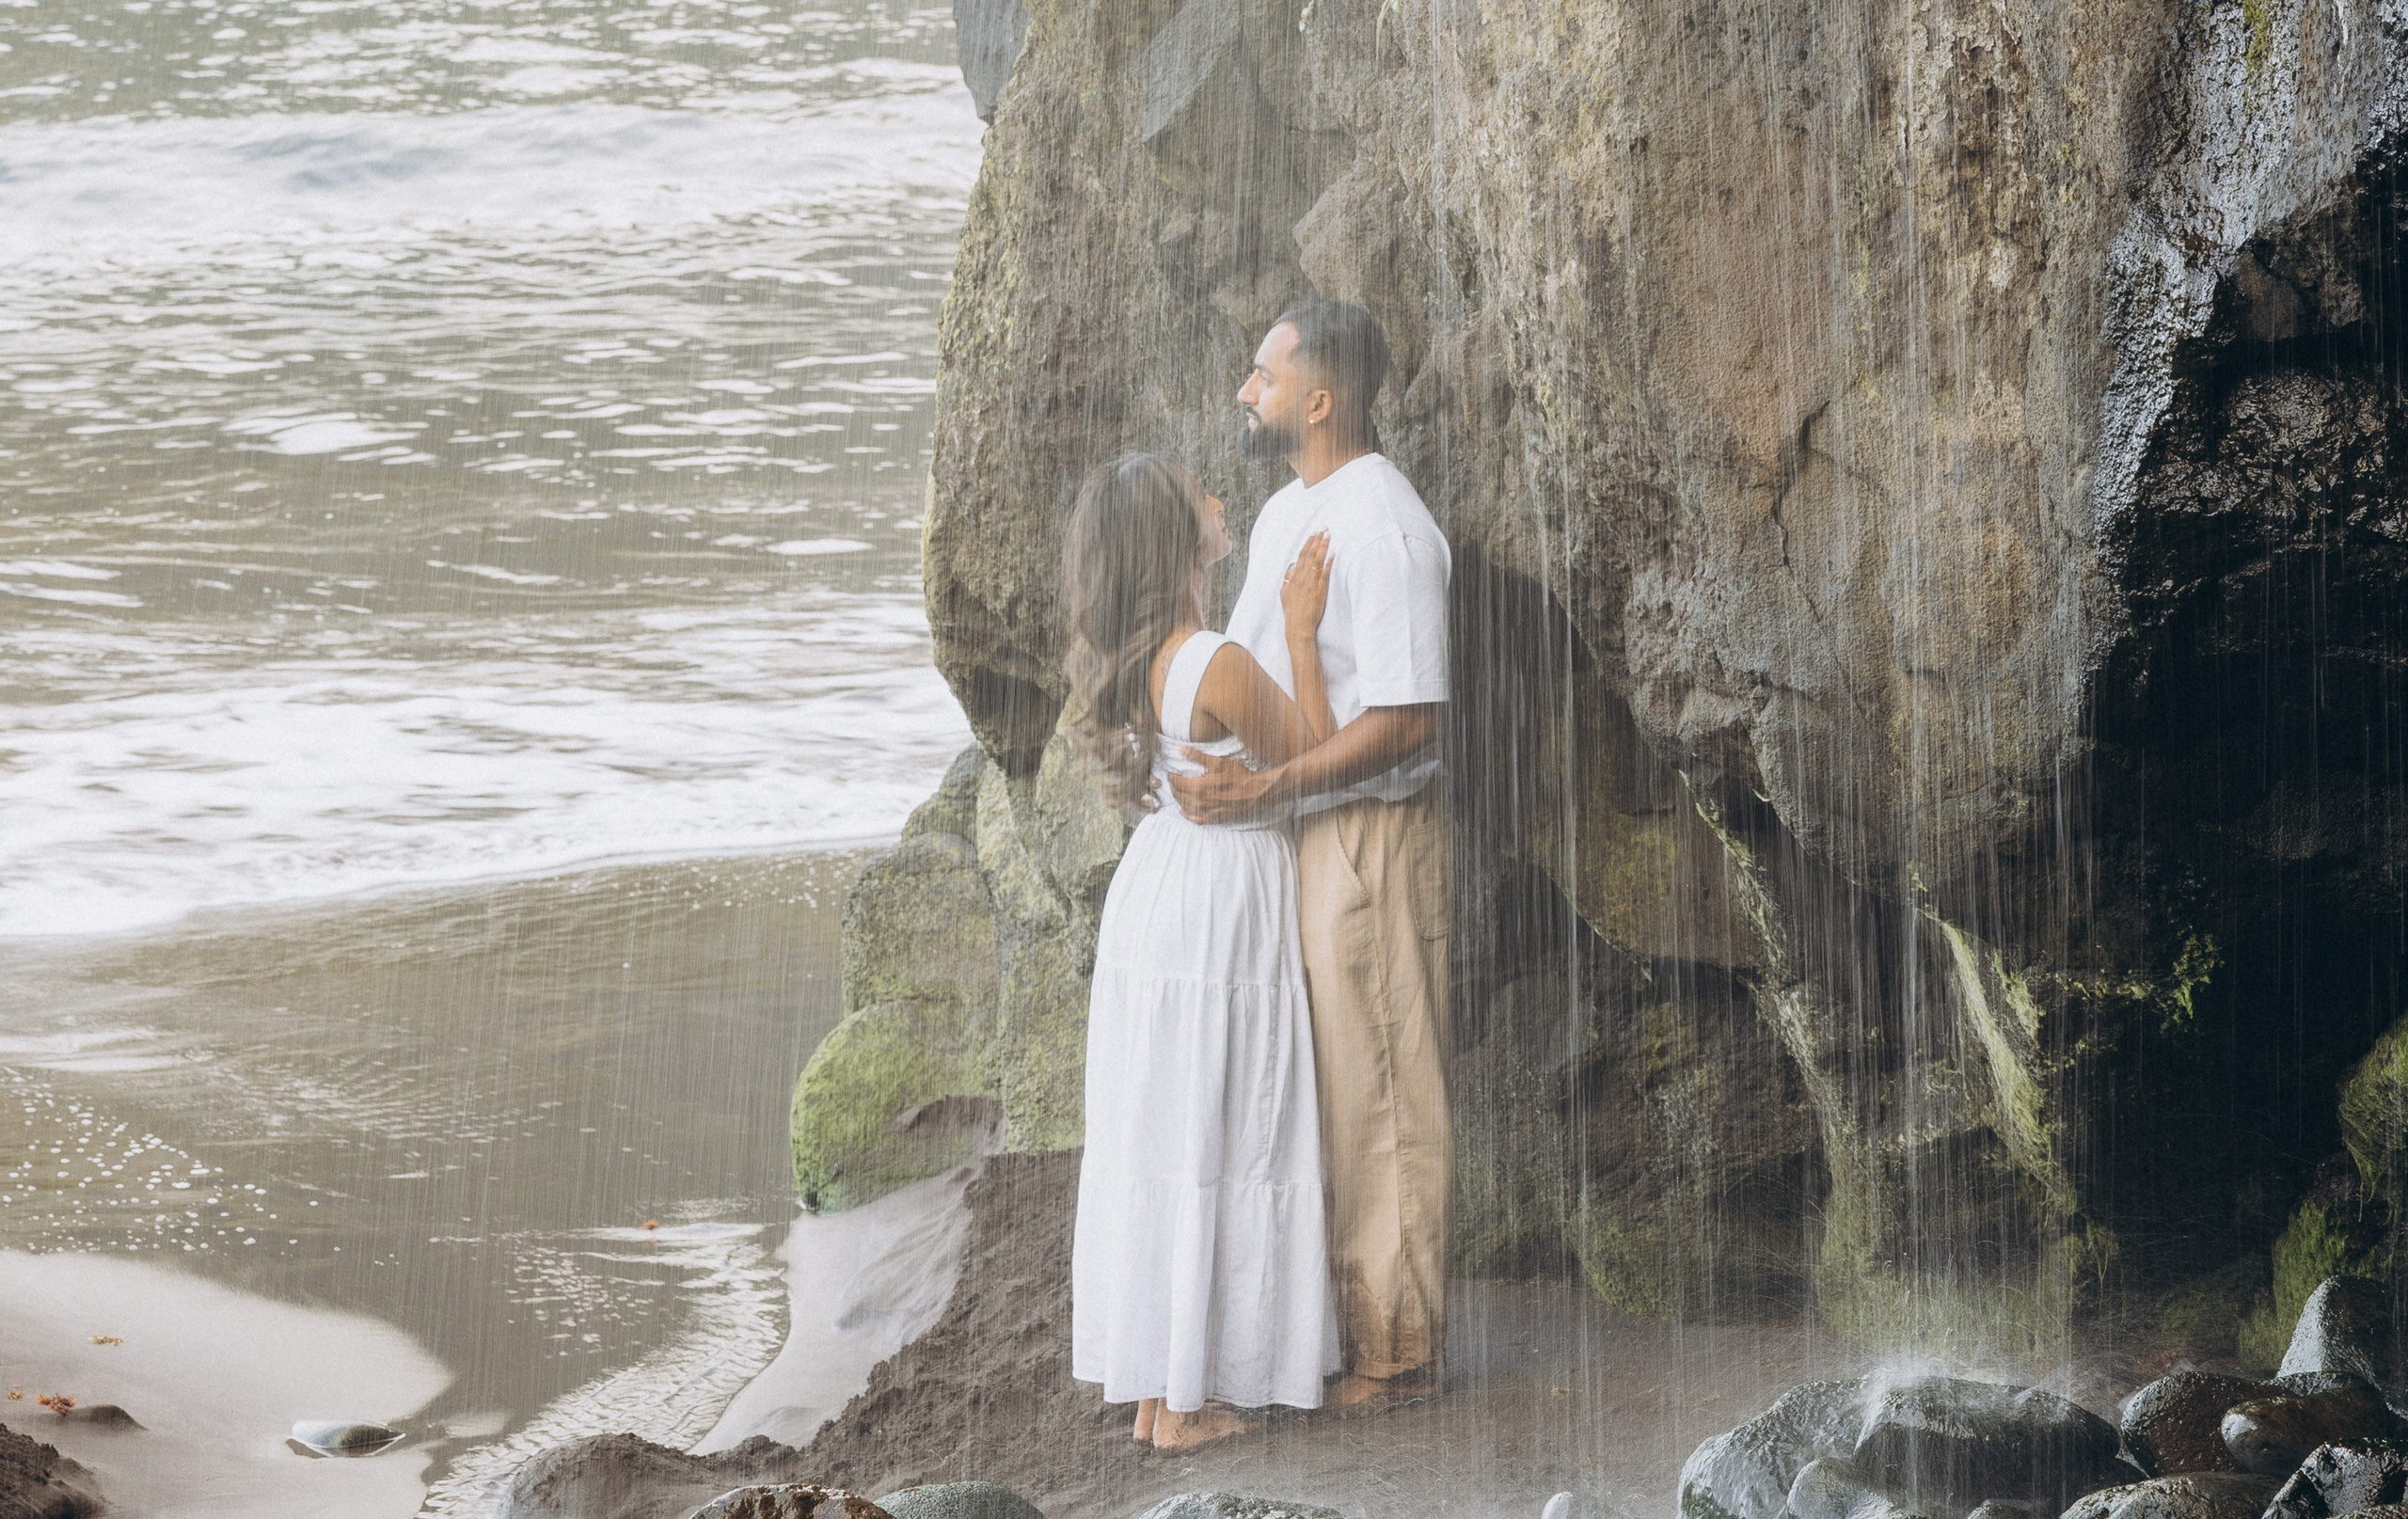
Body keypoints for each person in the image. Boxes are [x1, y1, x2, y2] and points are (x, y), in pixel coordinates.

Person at [1170, 298, 1451, 1415]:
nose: (1247, 391)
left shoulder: (1381, 525)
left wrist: (1272, 786)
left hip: (1367, 836)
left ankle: (1398, 1353)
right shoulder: (1296, 507)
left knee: (1381, 1086)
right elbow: (1256, 677)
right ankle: (1340, 1326)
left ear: (1319, 400)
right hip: (1299, 825)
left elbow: (1412, 719)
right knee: (1327, 1089)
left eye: (1264, 376)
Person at [1063, 451, 1346, 1451]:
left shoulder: (1143, 657)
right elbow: (1315, 751)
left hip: (1162, 888)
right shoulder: (1214, 659)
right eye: (1199, 499)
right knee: (1234, 1123)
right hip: (1223, 892)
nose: (1218, 502)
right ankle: (1185, 1403)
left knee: (1170, 1129)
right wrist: (1303, 631)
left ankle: (1162, 1386)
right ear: (1173, 542)